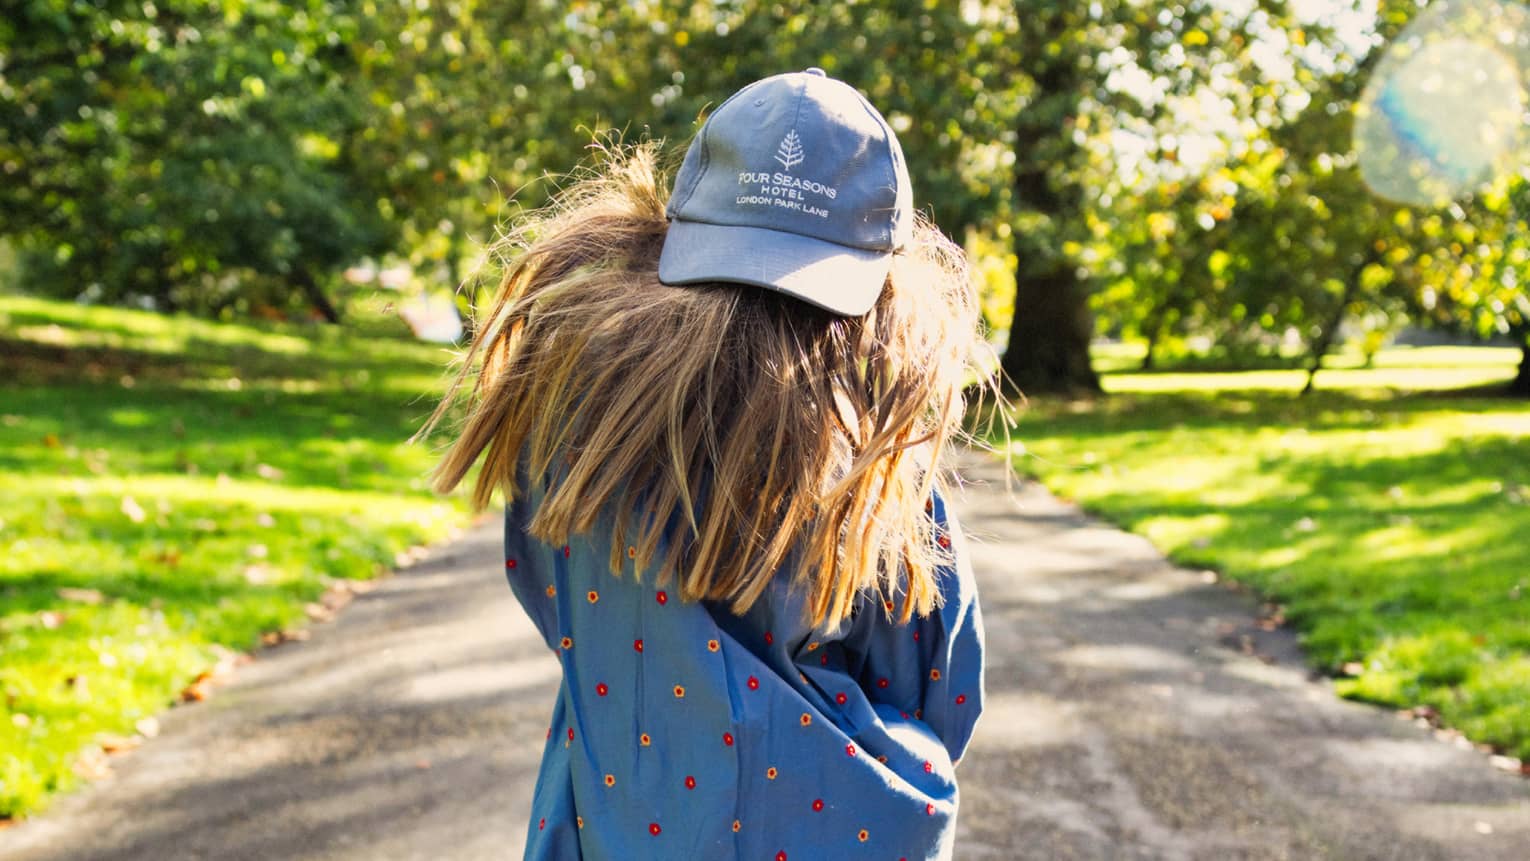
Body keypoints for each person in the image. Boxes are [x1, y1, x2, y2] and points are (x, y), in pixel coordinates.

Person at [421, 68, 992, 861]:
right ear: (886, 277)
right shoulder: (877, 472)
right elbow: (943, 690)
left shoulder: (573, 438)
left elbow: (552, 597)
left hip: (619, 824)